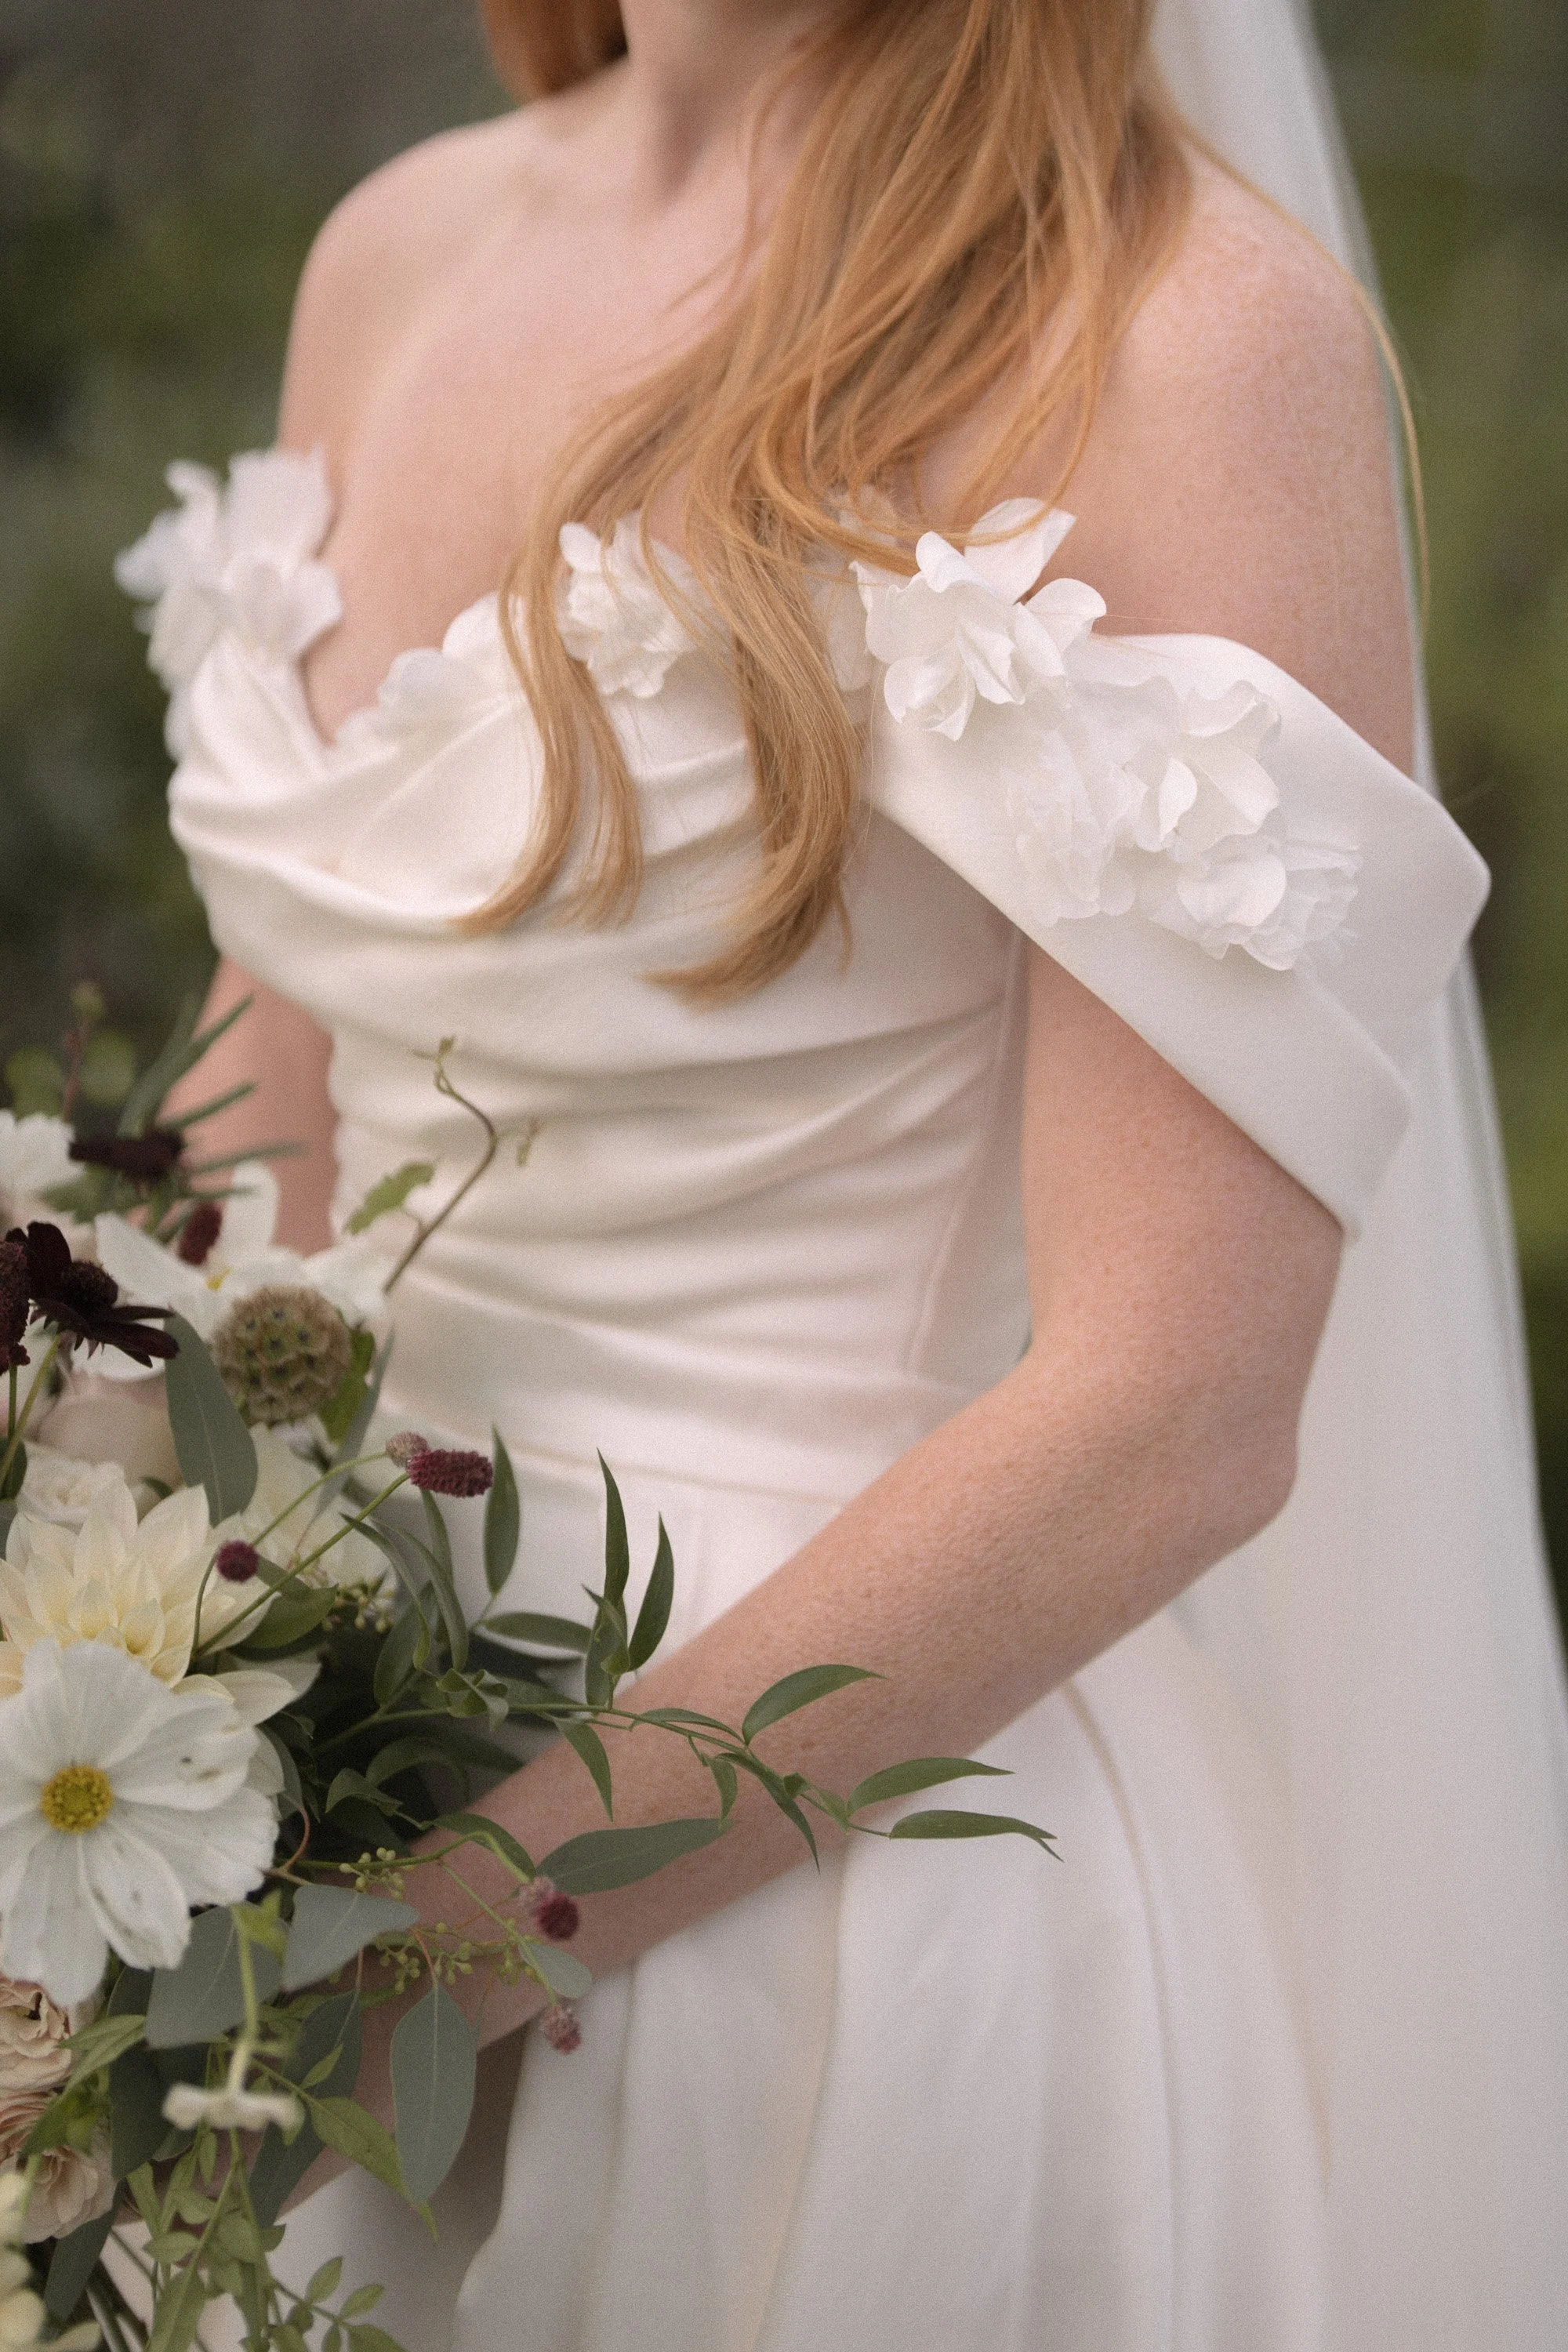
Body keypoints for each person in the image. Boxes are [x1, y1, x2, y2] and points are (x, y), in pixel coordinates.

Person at [118, 0, 1568, 2345]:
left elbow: (1174, 1409)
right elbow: (261, 1113)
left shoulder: (1174, 336)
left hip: (814, 1934)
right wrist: (82, 1616)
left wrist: (410, 1965)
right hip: (259, 1819)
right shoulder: (397, 250)